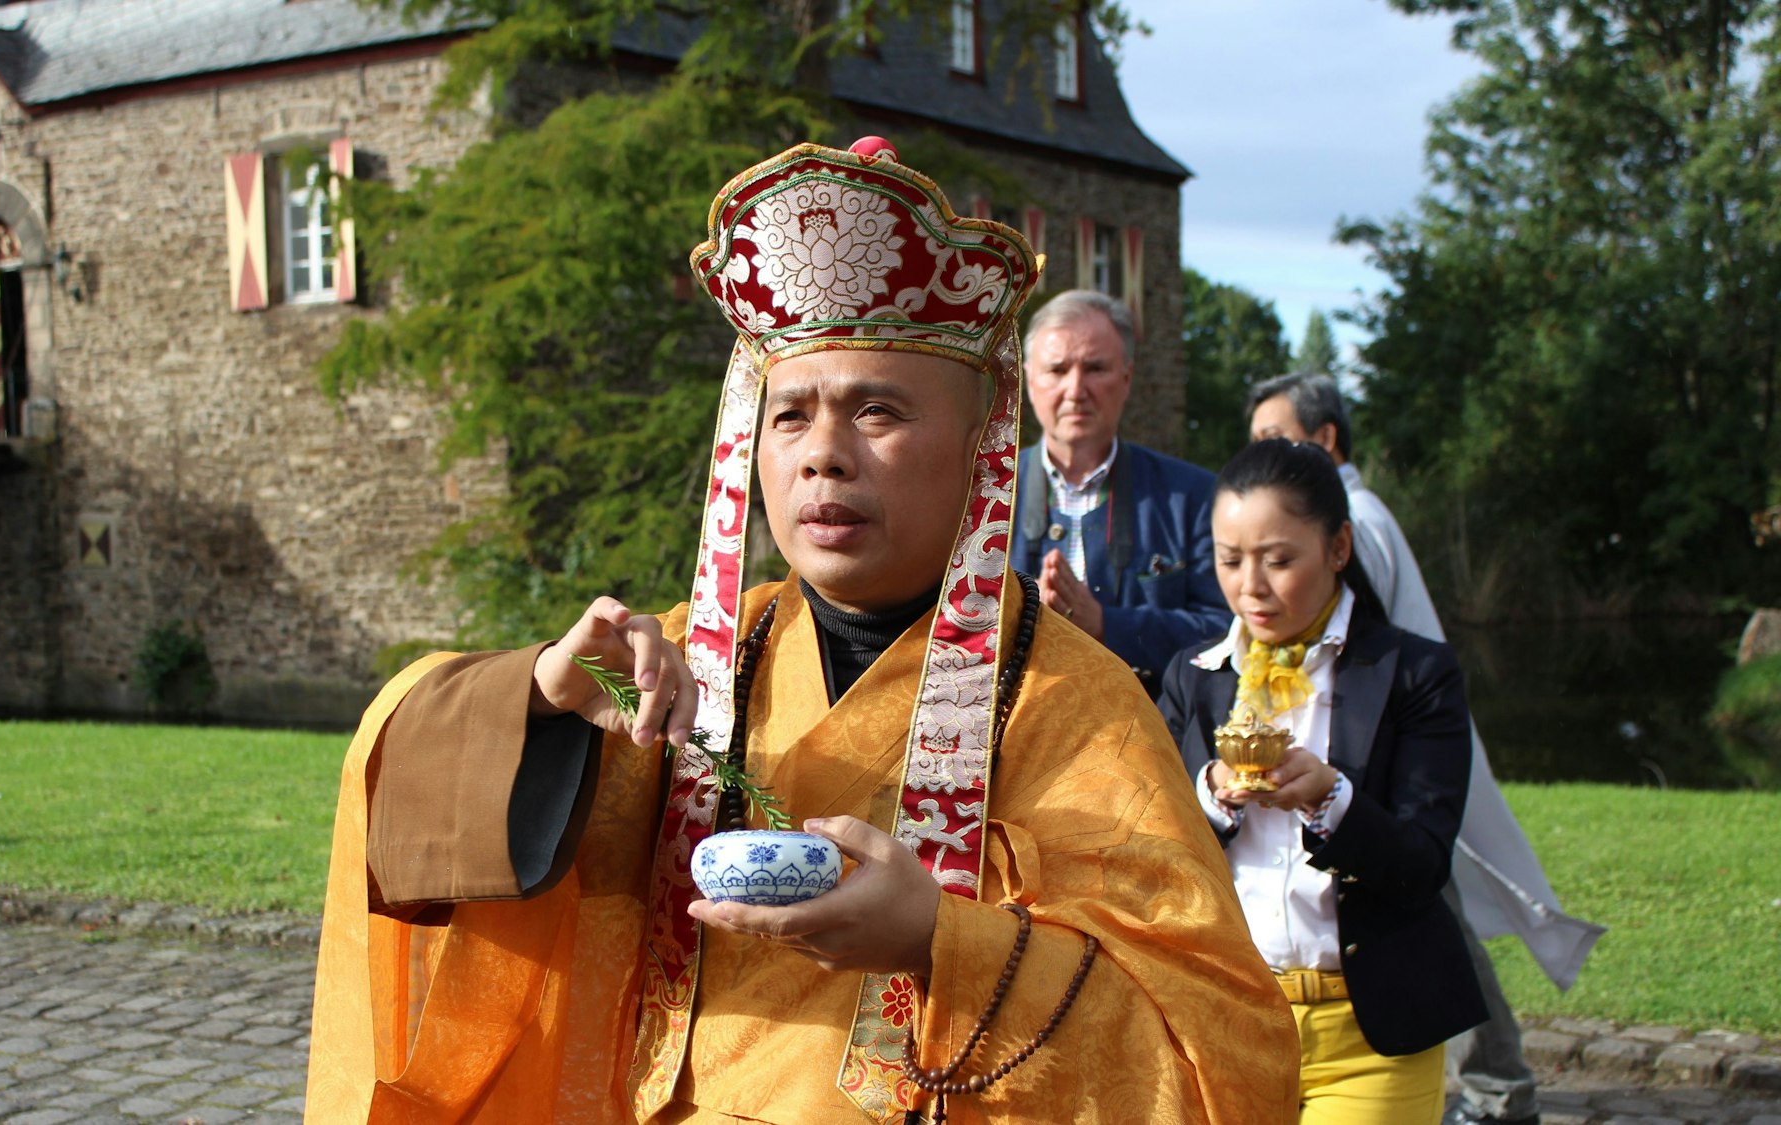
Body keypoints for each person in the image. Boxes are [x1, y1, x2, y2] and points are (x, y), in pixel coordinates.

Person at [304, 139, 1299, 1124]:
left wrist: (939, 943)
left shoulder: (1073, 705)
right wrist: (543, 697)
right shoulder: (679, 668)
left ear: (980, 447)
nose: (823, 454)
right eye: (789, 416)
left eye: (877, 411)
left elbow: (1223, 1054)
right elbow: (400, 794)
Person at [1248, 372, 1605, 1125]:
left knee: (1421, 906)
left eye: (1275, 439)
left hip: (1390, 757)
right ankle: (1497, 1081)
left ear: (1325, 439)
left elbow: (1353, 643)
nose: (1262, 458)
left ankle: (1498, 1085)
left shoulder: (1358, 521)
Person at [1158, 439, 1488, 1124]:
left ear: (1338, 547)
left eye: (1279, 560)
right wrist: (1210, 794)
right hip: (1226, 1021)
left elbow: (1423, 863)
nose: (1251, 586)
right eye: (1230, 560)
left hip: (1371, 1031)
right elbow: (1151, 849)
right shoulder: (1195, 675)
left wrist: (1330, 798)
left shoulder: (1414, 673)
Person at [1010, 289, 1231, 697]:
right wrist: (1019, 617)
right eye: (1057, 370)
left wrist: (1107, 624)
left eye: (1095, 368)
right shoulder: (981, 494)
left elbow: (1228, 630)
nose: (1075, 390)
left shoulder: (1194, 498)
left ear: (1127, 378)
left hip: (1150, 727)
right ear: (1028, 378)